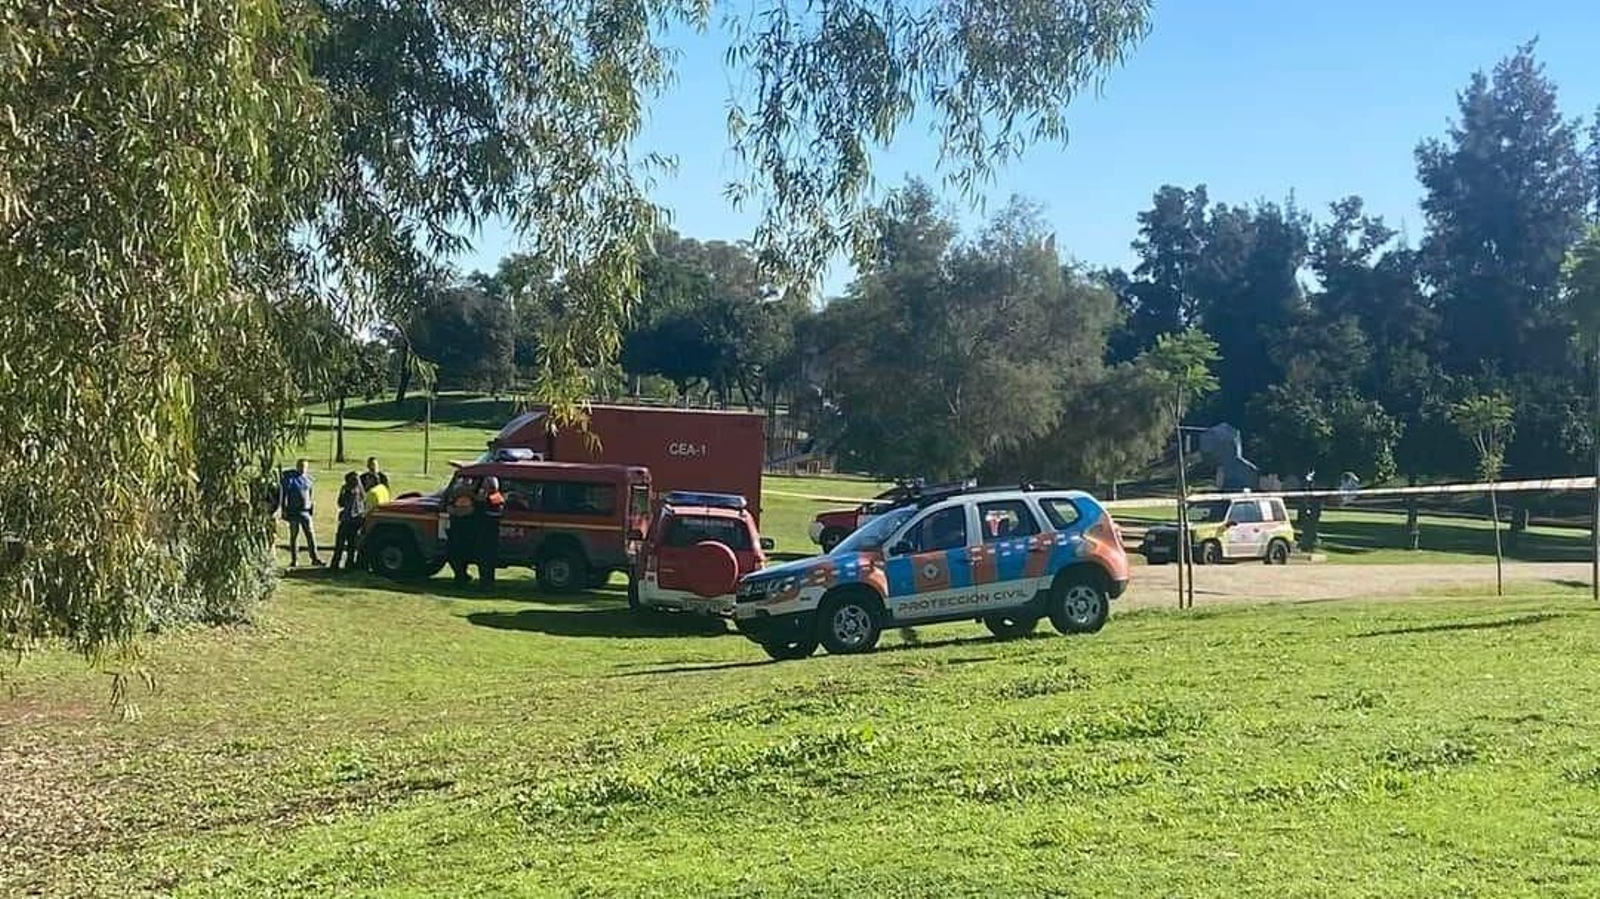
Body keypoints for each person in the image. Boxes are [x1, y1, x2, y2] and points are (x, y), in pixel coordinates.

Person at [281, 459, 323, 567]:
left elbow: (310, 493)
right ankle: (294, 560)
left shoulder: (308, 479)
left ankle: (314, 558)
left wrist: (311, 506)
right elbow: (284, 494)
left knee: (310, 535)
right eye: (301, 466)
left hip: (305, 512)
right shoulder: (290, 479)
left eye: (304, 466)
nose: (303, 468)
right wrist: (283, 509)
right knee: (294, 536)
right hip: (294, 511)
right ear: (297, 466)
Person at [474, 475, 506, 591]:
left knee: (484, 560)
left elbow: (480, 512)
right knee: (489, 561)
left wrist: (479, 500)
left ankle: (485, 584)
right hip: (493, 535)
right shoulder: (499, 498)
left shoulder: (490, 499)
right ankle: (489, 583)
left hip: (486, 534)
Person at [446, 477, 478, 586]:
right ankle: (461, 575)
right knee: (455, 555)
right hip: (458, 528)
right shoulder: (458, 494)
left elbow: (473, 509)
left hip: (466, 529)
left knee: (458, 555)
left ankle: (461, 576)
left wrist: (457, 512)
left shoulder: (472, 495)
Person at [331, 471, 366, 573]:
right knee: (351, 545)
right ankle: (349, 564)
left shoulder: (350, 490)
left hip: (348, 520)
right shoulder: (360, 490)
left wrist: (343, 491)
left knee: (340, 544)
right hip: (355, 520)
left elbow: (341, 503)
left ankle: (336, 564)